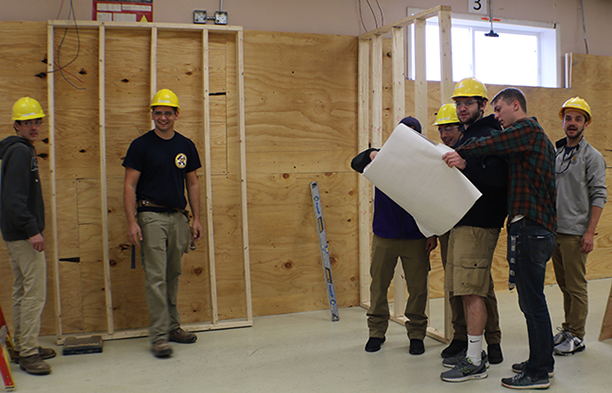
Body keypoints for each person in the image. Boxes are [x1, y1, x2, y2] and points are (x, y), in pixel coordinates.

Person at [443, 87, 557, 389]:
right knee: (532, 300)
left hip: (531, 227)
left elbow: (495, 141)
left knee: (532, 303)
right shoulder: (529, 140)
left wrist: (461, 150)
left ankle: (538, 373)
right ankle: (542, 362)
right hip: (533, 227)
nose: (497, 117)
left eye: (499, 110)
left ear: (515, 106)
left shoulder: (526, 129)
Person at [123, 89, 204, 358]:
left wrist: (197, 218)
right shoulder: (141, 146)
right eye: (158, 112)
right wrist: (132, 221)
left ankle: (172, 327)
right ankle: (159, 337)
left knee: (173, 275)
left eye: (168, 112)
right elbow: (129, 185)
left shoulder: (185, 145)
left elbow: (192, 183)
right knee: (156, 277)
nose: (162, 117)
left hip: (178, 217)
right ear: (152, 114)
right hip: (151, 217)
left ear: (176, 114)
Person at [439, 78, 507, 383]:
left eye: (468, 102)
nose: (462, 108)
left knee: (470, 290)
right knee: (467, 288)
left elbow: (498, 176)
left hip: (479, 223)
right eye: (458, 103)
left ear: (483, 104)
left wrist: (466, 165)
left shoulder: (491, 134)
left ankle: (475, 360)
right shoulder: (469, 134)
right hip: (463, 221)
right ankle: (474, 350)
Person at [351, 116, 437, 355]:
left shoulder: (426, 164)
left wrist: (431, 233)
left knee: (418, 289)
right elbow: (355, 163)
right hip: (384, 235)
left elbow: (432, 201)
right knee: (378, 286)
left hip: (416, 237)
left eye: (413, 133)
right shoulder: (383, 157)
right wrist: (371, 154)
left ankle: (417, 334)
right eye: (403, 133)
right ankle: (376, 332)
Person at [0, 97, 56, 375]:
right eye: (28, 122)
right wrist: (32, 230)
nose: (34, 127)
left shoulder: (19, 150)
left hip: (14, 233)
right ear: (17, 125)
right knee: (33, 293)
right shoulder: (20, 152)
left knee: (22, 290)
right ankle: (30, 354)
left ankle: (23, 345)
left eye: (37, 121)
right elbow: (13, 200)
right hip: (23, 234)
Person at [552, 97, 606, 355]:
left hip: (576, 234)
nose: (572, 123)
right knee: (564, 285)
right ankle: (568, 328)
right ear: (563, 121)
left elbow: (599, 195)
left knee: (576, 286)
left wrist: (589, 232)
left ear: (585, 123)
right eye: (568, 118)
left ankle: (577, 336)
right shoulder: (558, 154)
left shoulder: (591, 156)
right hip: (556, 232)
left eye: (577, 118)